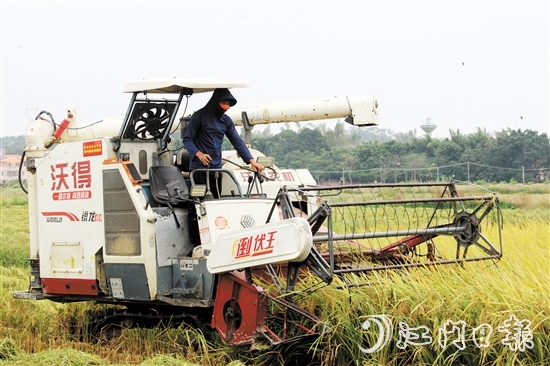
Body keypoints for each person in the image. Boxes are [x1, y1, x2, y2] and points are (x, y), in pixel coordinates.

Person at [182, 88, 264, 246]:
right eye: (223, 103)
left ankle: (218, 240)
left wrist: (251, 161)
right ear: (215, 102)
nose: (226, 107)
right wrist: (198, 154)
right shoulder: (199, 117)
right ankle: (195, 244)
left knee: (217, 204)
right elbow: (187, 139)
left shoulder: (225, 121)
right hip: (198, 170)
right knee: (196, 206)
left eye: (228, 104)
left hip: (216, 170)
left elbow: (237, 141)